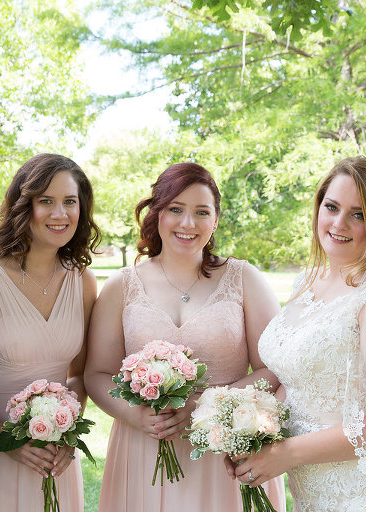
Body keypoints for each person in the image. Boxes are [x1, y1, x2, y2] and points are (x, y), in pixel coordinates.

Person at [228, 156, 366, 511]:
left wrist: (287, 453)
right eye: (331, 207)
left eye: (358, 214)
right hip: (312, 489)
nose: (338, 223)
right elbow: (296, 381)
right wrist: (237, 422)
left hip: (365, 491)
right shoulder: (308, 281)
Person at [84, 162, 286, 512]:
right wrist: (136, 416)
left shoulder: (243, 279)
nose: (187, 223)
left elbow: (275, 369)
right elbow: (97, 374)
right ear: (157, 213)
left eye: (201, 212)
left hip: (225, 448)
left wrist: (202, 405)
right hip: (144, 449)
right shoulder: (122, 285)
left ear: (216, 220)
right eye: (175, 209)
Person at [0, 153, 100, 511]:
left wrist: (67, 431)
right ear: (23, 205)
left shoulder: (83, 281)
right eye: (45, 201)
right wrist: (8, 441)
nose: (59, 214)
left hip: (57, 459)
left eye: (69, 202)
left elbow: (79, 374)